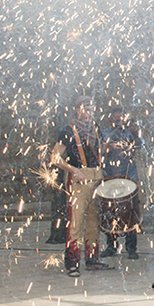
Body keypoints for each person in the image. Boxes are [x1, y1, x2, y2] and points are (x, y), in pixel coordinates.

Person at [49, 96, 110, 277]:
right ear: (77, 110)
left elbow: (100, 150)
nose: (89, 113)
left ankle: (92, 259)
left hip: (96, 177)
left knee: (94, 221)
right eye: (85, 109)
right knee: (75, 223)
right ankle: (72, 263)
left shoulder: (95, 129)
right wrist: (73, 170)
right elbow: (55, 157)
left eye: (91, 109)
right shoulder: (67, 131)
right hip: (78, 179)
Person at [100, 107, 143, 259]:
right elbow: (99, 151)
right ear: (110, 118)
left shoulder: (130, 132)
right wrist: (107, 147)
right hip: (110, 176)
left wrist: (135, 136)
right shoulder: (104, 133)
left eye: (120, 118)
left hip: (128, 176)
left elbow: (140, 146)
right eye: (115, 118)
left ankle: (131, 248)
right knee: (109, 211)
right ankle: (111, 246)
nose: (118, 121)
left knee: (130, 211)